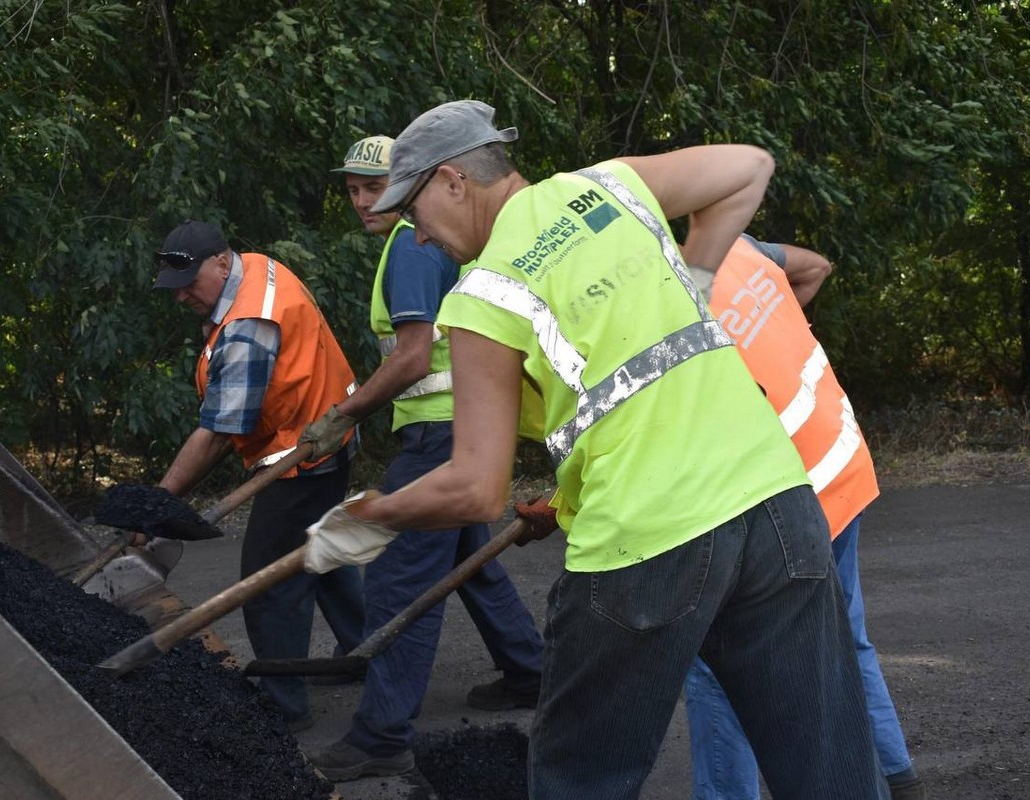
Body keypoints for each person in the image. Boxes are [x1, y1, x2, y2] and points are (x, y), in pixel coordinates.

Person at [302, 100, 886, 799]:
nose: (417, 237)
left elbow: (475, 490)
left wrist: (372, 519)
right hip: (775, 506)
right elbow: (749, 168)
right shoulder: (606, 186)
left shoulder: (484, 294)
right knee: (827, 764)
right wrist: (696, 277)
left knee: (581, 776)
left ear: (453, 181)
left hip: (644, 548)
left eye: (414, 211)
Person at [298, 135, 545, 781]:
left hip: (441, 438)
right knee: (470, 560)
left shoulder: (412, 247)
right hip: (463, 427)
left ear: (413, 185)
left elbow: (411, 359)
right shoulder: (429, 242)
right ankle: (530, 671)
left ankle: (381, 734)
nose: (361, 201)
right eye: (351, 188)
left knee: (398, 578)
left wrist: (345, 414)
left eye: (373, 187)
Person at [684, 234, 926, 800]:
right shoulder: (740, 248)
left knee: (718, 654)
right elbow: (817, 264)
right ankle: (895, 775)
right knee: (846, 635)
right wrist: (775, 327)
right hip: (838, 455)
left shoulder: (664, 293)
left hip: (790, 485)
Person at [152, 219, 365, 732]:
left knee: (269, 582)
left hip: (302, 457)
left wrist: (159, 502)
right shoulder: (259, 269)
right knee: (323, 550)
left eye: (189, 284)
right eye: (174, 288)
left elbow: (222, 429)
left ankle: (283, 703)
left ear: (222, 262)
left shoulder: (249, 323)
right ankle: (361, 651)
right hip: (332, 433)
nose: (181, 297)